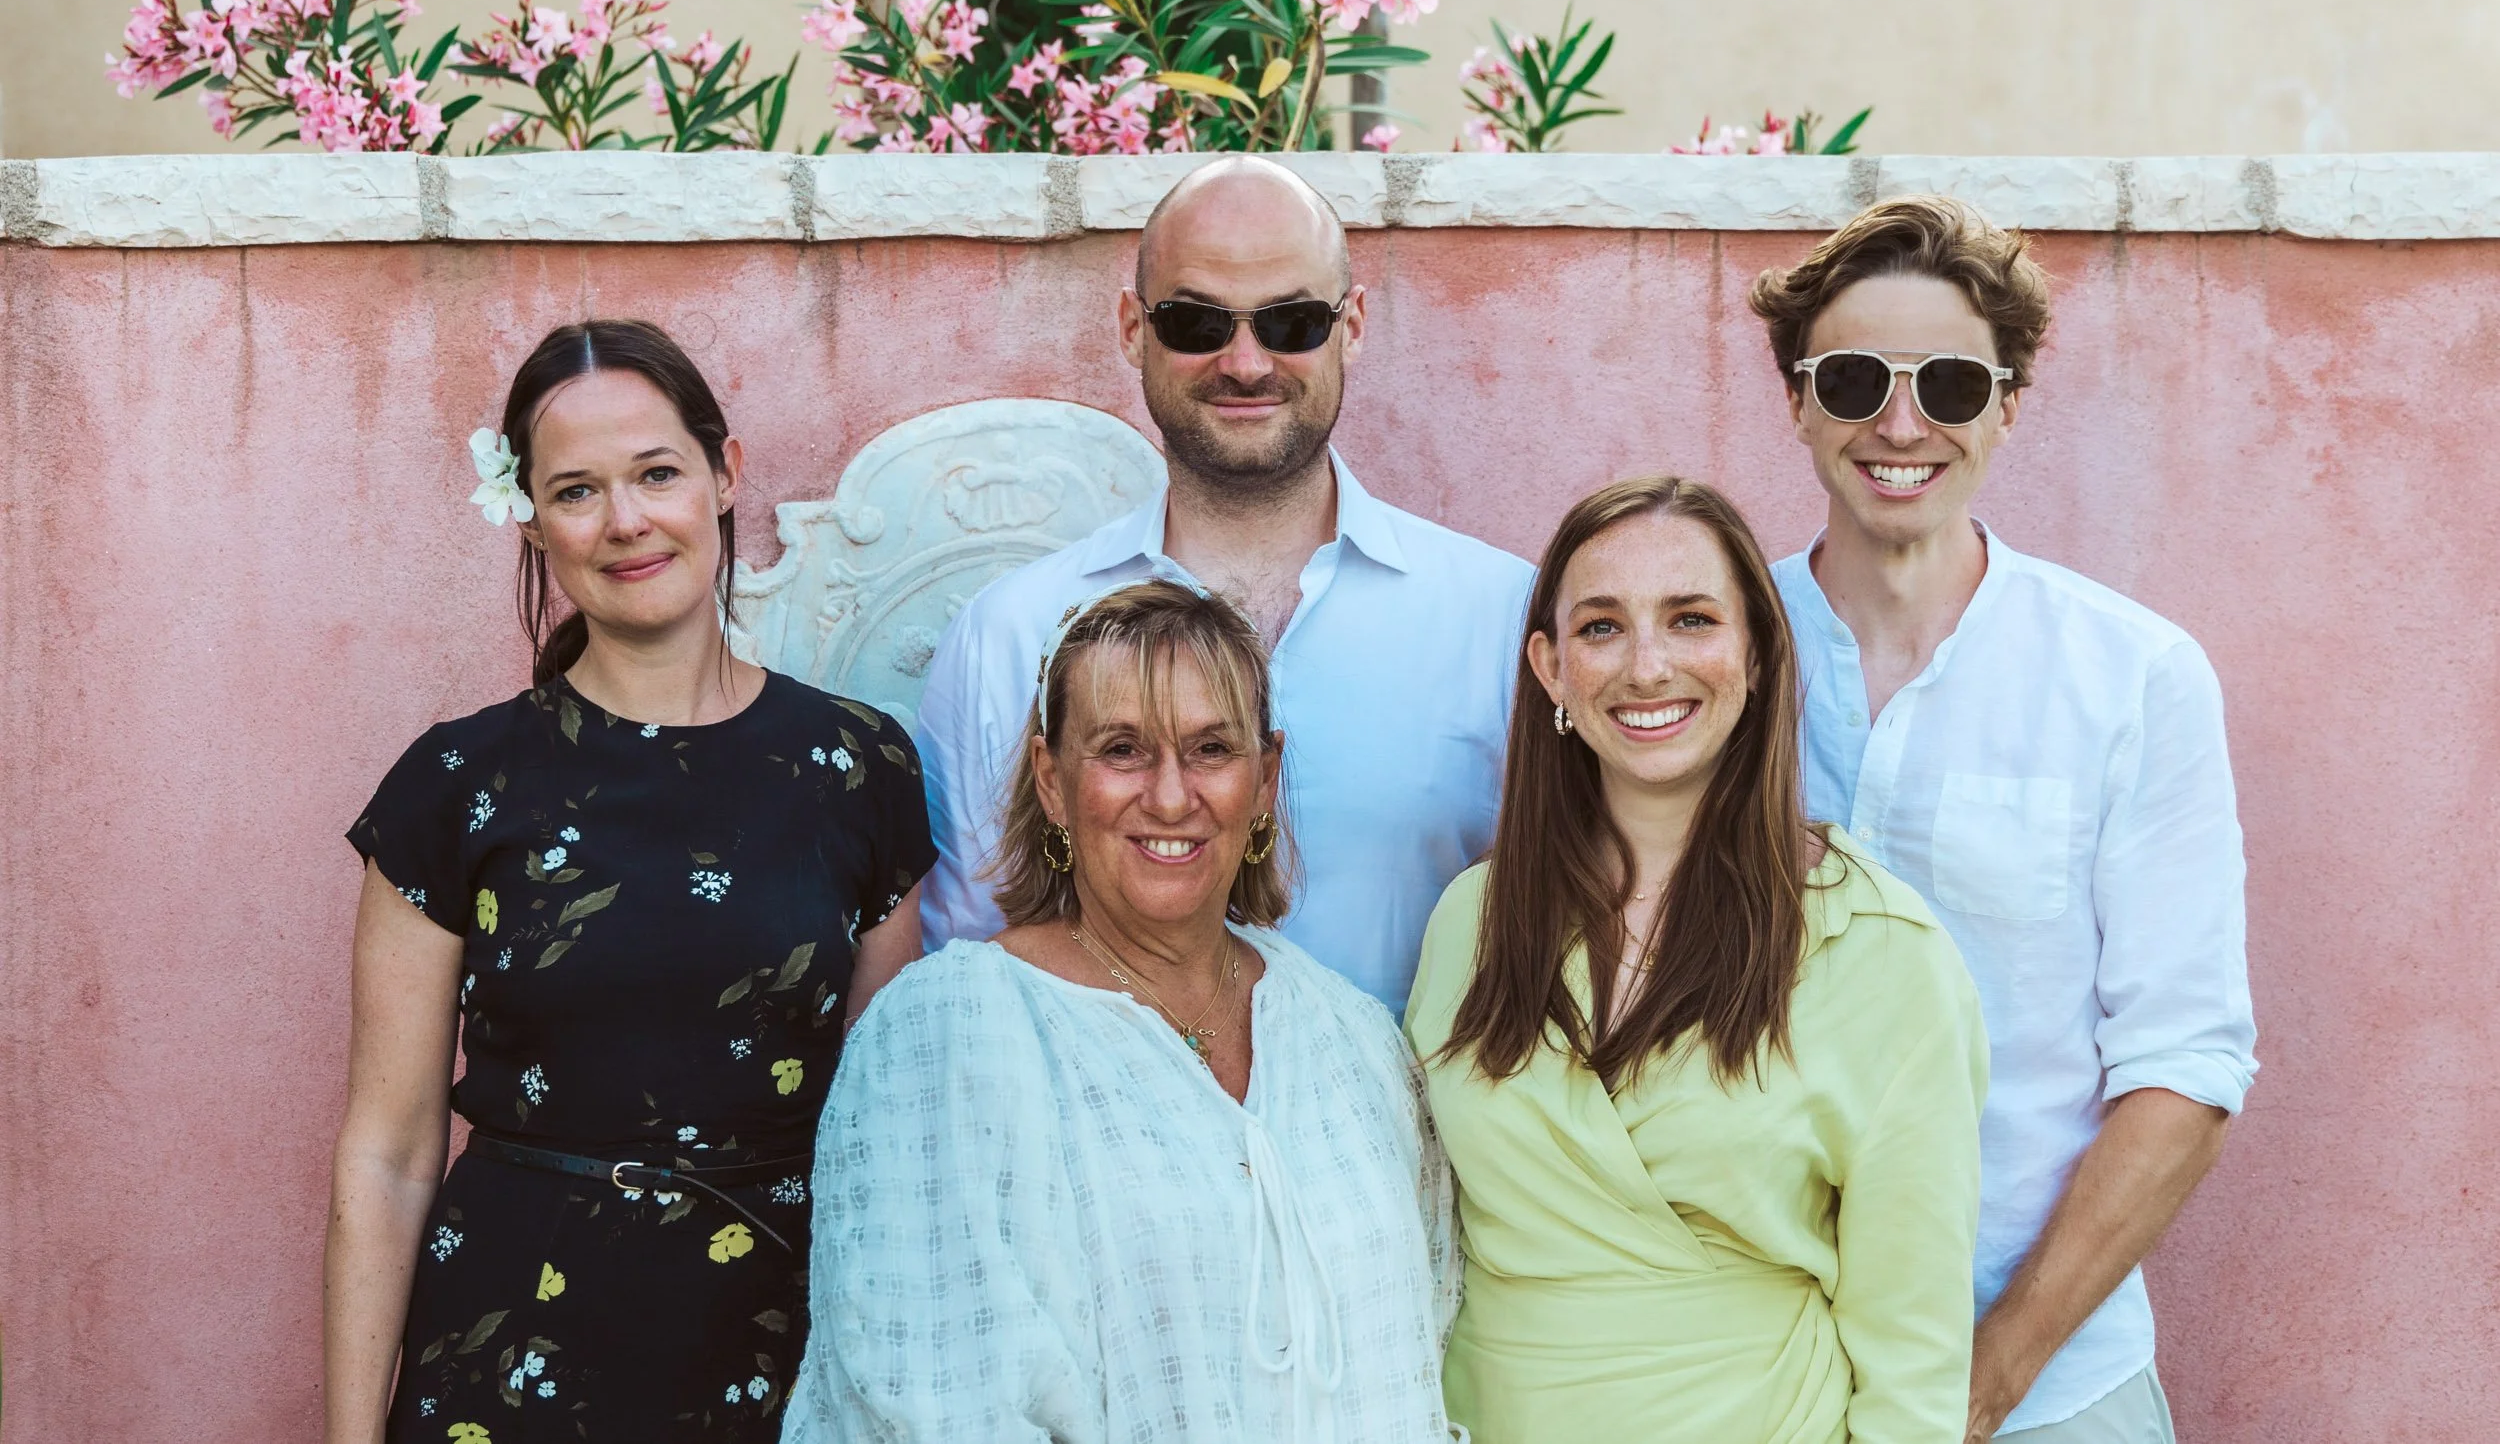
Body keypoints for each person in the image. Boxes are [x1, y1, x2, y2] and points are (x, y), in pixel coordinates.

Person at [323, 320, 933, 1443]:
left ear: (724, 473)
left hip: (783, 1354)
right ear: (531, 518)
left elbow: (882, 1131)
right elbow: (390, 1147)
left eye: (656, 472)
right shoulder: (456, 782)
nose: (626, 521)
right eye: (576, 490)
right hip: (505, 1358)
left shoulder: (858, 767)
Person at [1751, 196, 2258, 1442]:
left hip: (2045, 1389)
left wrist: (1988, 1376)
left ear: (2010, 405)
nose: (1902, 421)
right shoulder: (1709, 660)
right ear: (1799, 401)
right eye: (1857, 377)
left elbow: (2183, 1066)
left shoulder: (2131, 676)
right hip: (1754, 1372)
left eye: (1955, 385)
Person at [783, 579, 1459, 1441]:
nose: (1172, 796)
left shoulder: (1350, 1035)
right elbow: (932, 1399)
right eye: (1123, 749)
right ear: (1052, 779)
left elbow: (1431, 1330)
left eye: (1212, 747)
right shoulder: (950, 1036)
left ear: (1265, 780)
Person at [1406, 475, 1988, 1443]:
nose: (1646, 664)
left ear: (1754, 651)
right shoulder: (1471, 920)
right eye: (1600, 627)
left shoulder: (1882, 951)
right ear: (1549, 668)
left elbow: (1913, 1349)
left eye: (1689, 619)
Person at [914, 154, 1533, 1014]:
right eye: (1196, 322)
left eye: (1292, 321)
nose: (1245, 363)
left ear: (1350, 325)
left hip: (1417, 1142)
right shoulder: (1011, 634)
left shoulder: (1499, 616)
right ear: (1134, 328)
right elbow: (973, 979)